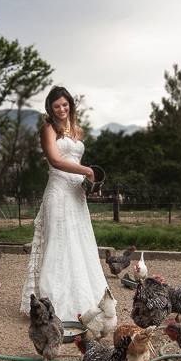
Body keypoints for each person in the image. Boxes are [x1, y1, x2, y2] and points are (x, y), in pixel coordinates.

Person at [20, 86, 108, 322]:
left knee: (79, 244)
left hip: (76, 193)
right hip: (58, 191)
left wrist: (88, 182)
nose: (61, 109)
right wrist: (87, 170)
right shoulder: (48, 129)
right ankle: (53, 303)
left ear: (70, 104)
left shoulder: (78, 131)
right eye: (56, 105)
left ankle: (83, 300)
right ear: (50, 108)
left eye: (65, 104)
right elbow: (56, 160)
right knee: (58, 244)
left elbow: (73, 158)